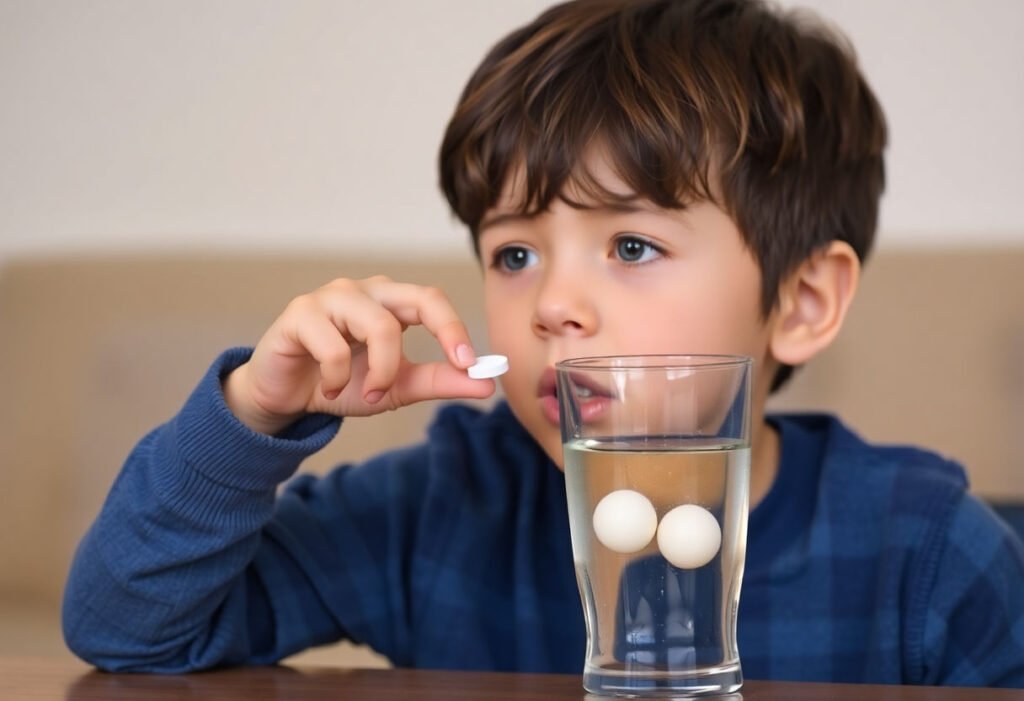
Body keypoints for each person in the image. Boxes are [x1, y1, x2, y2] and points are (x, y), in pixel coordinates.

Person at [62, 0, 1024, 687]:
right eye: (514, 252)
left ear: (803, 300)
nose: (553, 304)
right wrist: (250, 418)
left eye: (633, 245)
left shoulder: (924, 551)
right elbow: (126, 631)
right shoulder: (438, 508)